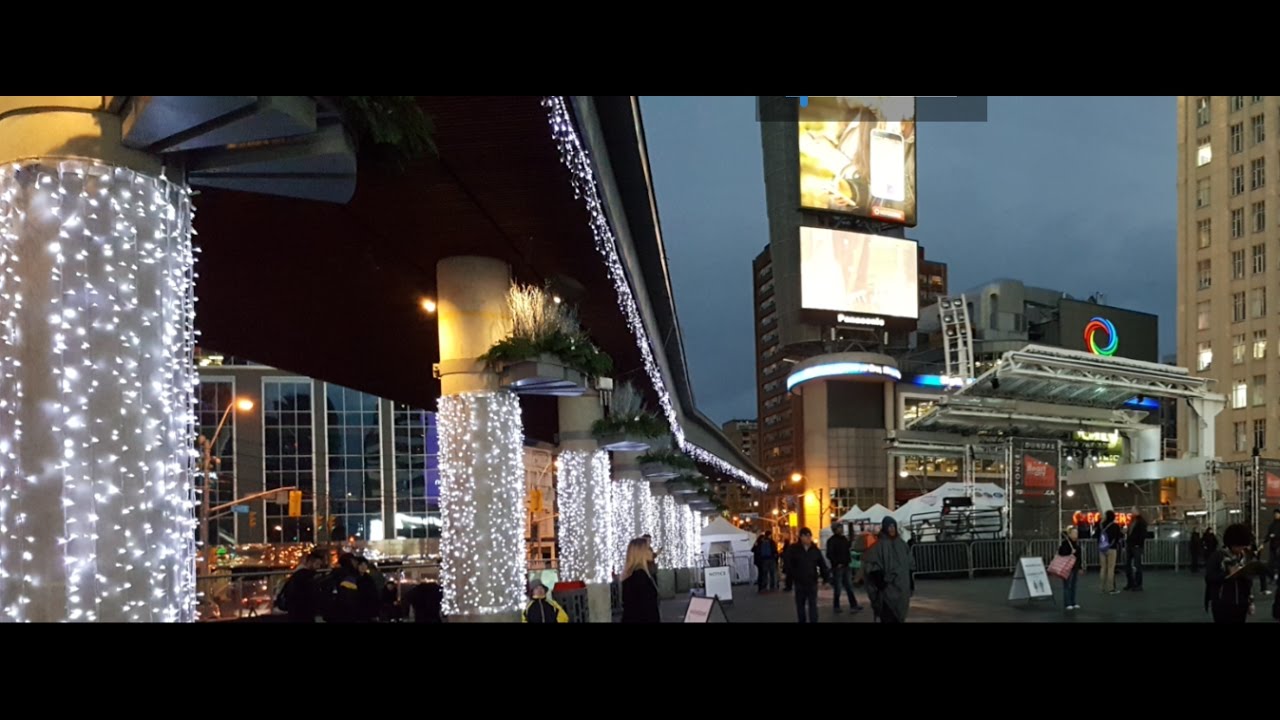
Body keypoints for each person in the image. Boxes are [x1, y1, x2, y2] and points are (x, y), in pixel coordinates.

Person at [863, 516, 913, 623]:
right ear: (885, 528)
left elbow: (909, 565)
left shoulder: (902, 545)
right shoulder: (878, 546)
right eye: (889, 526)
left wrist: (911, 582)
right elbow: (871, 565)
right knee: (888, 616)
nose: (892, 529)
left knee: (899, 616)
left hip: (901, 589)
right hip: (886, 591)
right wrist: (880, 582)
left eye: (893, 526)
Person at [1204, 523, 1257, 623]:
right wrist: (1227, 574)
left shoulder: (1245, 557)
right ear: (1231, 544)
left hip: (1241, 603)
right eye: (1239, 546)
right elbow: (1209, 577)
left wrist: (1250, 602)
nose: (1241, 549)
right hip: (1222, 603)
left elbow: (1249, 584)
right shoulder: (1217, 556)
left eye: (1243, 546)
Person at [783, 527, 829, 623]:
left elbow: (822, 564)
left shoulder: (814, 549)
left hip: (812, 581)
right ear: (801, 537)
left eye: (809, 536)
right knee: (800, 605)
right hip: (799, 582)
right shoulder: (794, 549)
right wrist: (790, 581)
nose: (808, 538)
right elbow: (788, 565)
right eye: (806, 536)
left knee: (813, 605)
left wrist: (826, 579)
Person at [275, 548, 328, 623]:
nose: (318, 567)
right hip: (304, 613)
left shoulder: (296, 575)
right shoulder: (307, 577)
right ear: (310, 562)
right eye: (317, 564)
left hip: (295, 612)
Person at [825, 523, 862, 614]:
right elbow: (829, 554)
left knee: (849, 586)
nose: (841, 529)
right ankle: (836, 606)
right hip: (838, 567)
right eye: (839, 528)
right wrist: (837, 563)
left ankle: (853, 604)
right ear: (835, 530)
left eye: (841, 527)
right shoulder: (832, 541)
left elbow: (848, 548)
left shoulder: (844, 539)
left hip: (846, 565)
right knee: (838, 587)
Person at [621, 538, 660, 623]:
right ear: (641, 553)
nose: (651, 551)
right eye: (648, 549)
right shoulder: (640, 576)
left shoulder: (634, 574)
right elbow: (646, 608)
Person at [1057, 526, 1084, 611]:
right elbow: (1061, 553)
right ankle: (1067, 603)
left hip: (1074, 567)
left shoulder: (1077, 545)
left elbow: (1079, 558)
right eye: (1074, 533)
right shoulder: (1065, 544)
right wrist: (1070, 552)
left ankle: (1073, 602)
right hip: (1067, 567)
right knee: (1067, 585)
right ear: (1069, 534)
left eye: (1076, 533)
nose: (1076, 535)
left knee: (1073, 585)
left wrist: (1080, 568)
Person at [1096, 510, 1123, 594]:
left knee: (1103, 568)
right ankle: (1110, 588)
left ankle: (1102, 587)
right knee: (1111, 568)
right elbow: (1119, 536)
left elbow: (1096, 535)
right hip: (1112, 548)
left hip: (1102, 548)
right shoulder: (1115, 526)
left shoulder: (1101, 525)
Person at [1124, 511, 1149, 591]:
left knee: (1137, 565)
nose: (1131, 512)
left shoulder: (1140, 522)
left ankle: (1138, 584)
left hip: (1136, 546)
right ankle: (1131, 583)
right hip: (1131, 545)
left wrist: (1138, 543)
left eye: (1133, 511)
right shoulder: (1133, 522)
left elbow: (1142, 534)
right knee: (1129, 565)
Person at [1267, 509, 1280, 590]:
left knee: (1278, 563)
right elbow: (1268, 534)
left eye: (1277, 514)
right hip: (1273, 546)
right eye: (1275, 514)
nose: (1276, 515)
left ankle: (1276, 578)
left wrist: (1275, 535)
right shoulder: (1272, 524)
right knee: (1271, 563)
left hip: (1279, 546)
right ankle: (1272, 578)